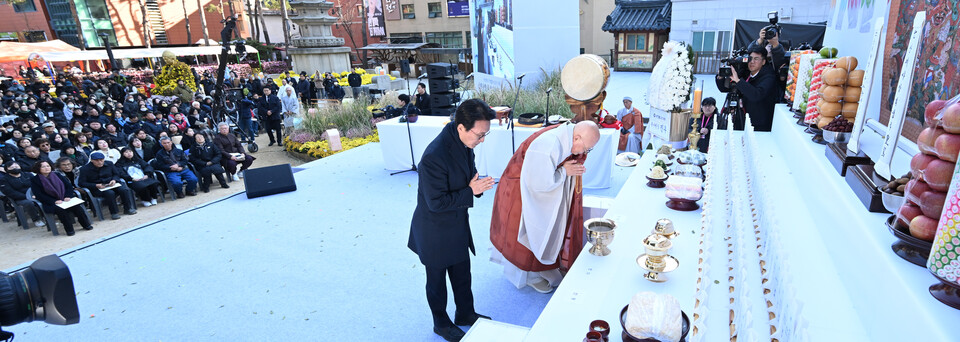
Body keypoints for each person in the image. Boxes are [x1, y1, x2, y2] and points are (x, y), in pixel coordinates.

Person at [407, 99, 496, 341]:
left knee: (462, 274)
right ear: (461, 128)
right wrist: (470, 190)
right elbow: (436, 203)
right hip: (433, 230)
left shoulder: (465, 143)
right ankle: (441, 323)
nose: (482, 140)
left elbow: (469, 178)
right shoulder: (433, 157)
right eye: (480, 135)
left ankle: (465, 314)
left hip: (456, 224)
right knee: (437, 282)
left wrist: (475, 188)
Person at [490, 121, 601, 294]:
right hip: (521, 191)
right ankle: (529, 276)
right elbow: (539, 183)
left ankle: (542, 266)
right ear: (577, 137)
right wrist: (564, 172)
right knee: (528, 232)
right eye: (586, 148)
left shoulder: (567, 135)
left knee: (547, 227)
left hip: (531, 185)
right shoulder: (548, 144)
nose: (584, 153)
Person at [31, 160, 93, 236]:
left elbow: (68, 186)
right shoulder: (35, 180)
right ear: (38, 168)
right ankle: (69, 230)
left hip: (65, 198)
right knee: (61, 210)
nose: (46, 168)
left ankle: (86, 225)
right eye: (43, 167)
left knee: (77, 207)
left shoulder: (57, 174)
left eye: (48, 166)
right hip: (50, 202)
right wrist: (54, 201)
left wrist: (68, 196)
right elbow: (39, 194)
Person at [729, 46, 778, 131]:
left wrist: (738, 80)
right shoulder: (745, 72)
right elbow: (725, 88)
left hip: (760, 123)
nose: (752, 62)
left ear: (763, 62)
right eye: (750, 58)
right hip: (743, 119)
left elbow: (757, 95)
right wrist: (721, 77)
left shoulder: (769, 77)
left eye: (756, 59)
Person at [78, 151, 137, 219]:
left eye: (101, 160)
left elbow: (116, 174)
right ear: (91, 161)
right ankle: (114, 212)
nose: (100, 162)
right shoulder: (84, 169)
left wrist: (114, 180)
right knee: (110, 193)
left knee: (123, 189)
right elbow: (81, 183)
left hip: (112, 184)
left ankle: (128, 208)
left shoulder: (109, 163)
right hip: (98, 188)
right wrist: (95, 185)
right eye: (96, 161)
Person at [0, 161, 44, 227]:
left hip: (34, 194)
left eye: (16, 166)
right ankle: (36, 219)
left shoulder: (28, 174)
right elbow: (10, 192)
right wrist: (28, 196)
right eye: (12, 167)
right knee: (29, 203)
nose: (15, 168)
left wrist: (36, 194)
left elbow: (37, 185)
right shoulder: (4, 180)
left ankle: (47, 216)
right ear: (7, 169)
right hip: (20, 198)